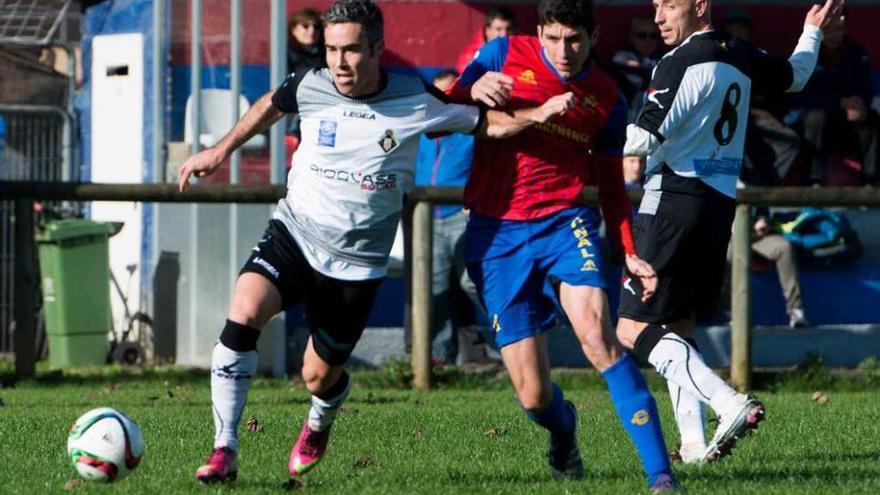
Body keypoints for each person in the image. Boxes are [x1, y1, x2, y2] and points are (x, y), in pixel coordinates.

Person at [179, 0, 579, 484]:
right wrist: (220, 149)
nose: (339, 63)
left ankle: (320, 417)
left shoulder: (414, 97)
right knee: (242, 316)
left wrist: (537, 113)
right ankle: (225, 449)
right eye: (331, 51)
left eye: (351, 51)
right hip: (295, 234)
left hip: (356, 265)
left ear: (377, 49)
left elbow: (482, 122)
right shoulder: (311, 83)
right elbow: (270, 104)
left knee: (317, 377)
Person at [448, 0, 679, 491]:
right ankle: (563, 431)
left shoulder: (606, 96)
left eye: (574, 39)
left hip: (564, 222)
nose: (564, 50)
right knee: (533, 397)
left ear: (593, 36)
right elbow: (445, 108)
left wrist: (628, 247)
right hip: (496, 233)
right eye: (553, 38)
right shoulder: (501, 54)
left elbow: (613, 186)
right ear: (539, 32)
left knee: (598, 337)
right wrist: (471, 89)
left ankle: (661, 477)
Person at [615, 0, 842, 465]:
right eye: (655, 5)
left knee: (631, 327)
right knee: (676, 325)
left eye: (670, 5)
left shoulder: (679, 61)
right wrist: (811, 32)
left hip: (671, 202)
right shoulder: (737, 50)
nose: (658, 16)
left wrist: (583, 128)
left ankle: (729, 402)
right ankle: (694, 445)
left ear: (700, 6)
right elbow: (795, 75)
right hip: (717, 206)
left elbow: (640, 139)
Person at [411, 69, 491, 364]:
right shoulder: (423, 130)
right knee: (435, 287)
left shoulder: (474, 129)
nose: (442, 100)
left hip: (463, 214)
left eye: (449, 93)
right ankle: (437, 361)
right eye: (438, 94)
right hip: (426, 218)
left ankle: (517, 340)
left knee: (476, 282)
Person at [791, 10, 878, 185]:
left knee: (873, 120)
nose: (833, 35)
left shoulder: (856, 52)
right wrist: (838, 102)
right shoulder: (806, 52)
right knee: (816, 118)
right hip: (818, 115)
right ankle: (813, 180)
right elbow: (801, 95)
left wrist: (859, 104)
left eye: (838, 30)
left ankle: (870, 182)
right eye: (829, 30)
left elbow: (865, 89)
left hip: (848, 117)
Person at [611, 16, 662, 110]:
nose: (648, 40)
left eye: (653, 36)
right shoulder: (622, 58)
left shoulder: (666, 58)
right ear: (631, 37)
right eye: (642, 35)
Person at [455, 7, 517, 74]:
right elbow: (464, 81)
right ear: (487, 30)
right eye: (498, 29)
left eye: (509, 29)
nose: (504, 35)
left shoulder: (521, 50)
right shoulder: (471, 55)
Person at [287, 8, 326, 73]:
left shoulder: (327, 55)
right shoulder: (285, 57)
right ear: (294, 30)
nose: (312, 31)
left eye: (316, 27)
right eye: (305, 26)